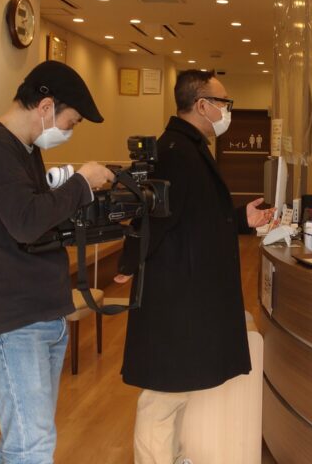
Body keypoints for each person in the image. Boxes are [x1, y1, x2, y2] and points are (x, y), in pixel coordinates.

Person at [117, 69, 274, 464]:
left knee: (177, 388)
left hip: (186, 291)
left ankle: (172, 457)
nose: (227, 111)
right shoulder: (175, 151)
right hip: (174, 295)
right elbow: (152, 219)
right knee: (162, 396)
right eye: (224, 103)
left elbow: (196, 215)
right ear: (203, 105)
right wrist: (128, 263)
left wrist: (240, 218)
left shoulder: (188, 147)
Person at [0, 61, 114, 464]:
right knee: (31, 445)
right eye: (71, 122)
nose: (69, 131)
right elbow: (26, 222)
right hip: (15, 322)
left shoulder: (25, 151)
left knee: (27, 440)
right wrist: (80, 183)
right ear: (45, 107)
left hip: (42, 312)